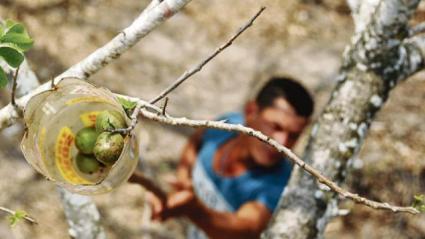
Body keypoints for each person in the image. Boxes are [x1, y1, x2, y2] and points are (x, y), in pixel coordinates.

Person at [130, 76, 314, 239]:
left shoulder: (278, 184)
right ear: (251, 111)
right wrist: (183, 181)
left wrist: (193, 209)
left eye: (294, 135)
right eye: (275, 126)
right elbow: (196, 141)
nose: (282, 142)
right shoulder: (227, 125)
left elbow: (245, 228)